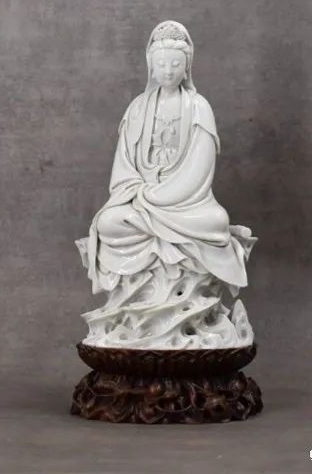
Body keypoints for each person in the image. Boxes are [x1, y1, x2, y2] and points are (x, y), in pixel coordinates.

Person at [76, 20, 256, 296]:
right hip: (141, 197)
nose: (168, 71)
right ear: (151, 66)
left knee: (217, 222)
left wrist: (159, 197)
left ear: (187, 67)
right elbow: (124, 166)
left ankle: (170, 258)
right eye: (161, 64)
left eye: (175, 64)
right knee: (107, 223)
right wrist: (141, 192)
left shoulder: (198, 107)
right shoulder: (137, 108)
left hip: (184, 202)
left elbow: (200, 170)